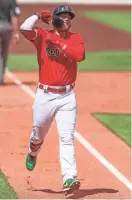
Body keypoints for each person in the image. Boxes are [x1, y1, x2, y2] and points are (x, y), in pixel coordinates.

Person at [20, 5, 85, 195]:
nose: (67, 20)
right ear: (55, 19)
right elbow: (24, 28)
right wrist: (37, 15)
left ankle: (69, 177)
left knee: (66, 138)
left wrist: (57, 42)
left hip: (67, 97)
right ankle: (33, 151)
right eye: (63, 17)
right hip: (45, 96)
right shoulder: (42, 35)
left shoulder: (76, 38)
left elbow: (79, 56)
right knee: (38, 133)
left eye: (69, 17)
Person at [0, 0, 21, 85]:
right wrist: (16, 32)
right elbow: (14, 16)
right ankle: (0, 77)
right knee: (3, 54)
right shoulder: (11, 1)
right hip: (6, 27)